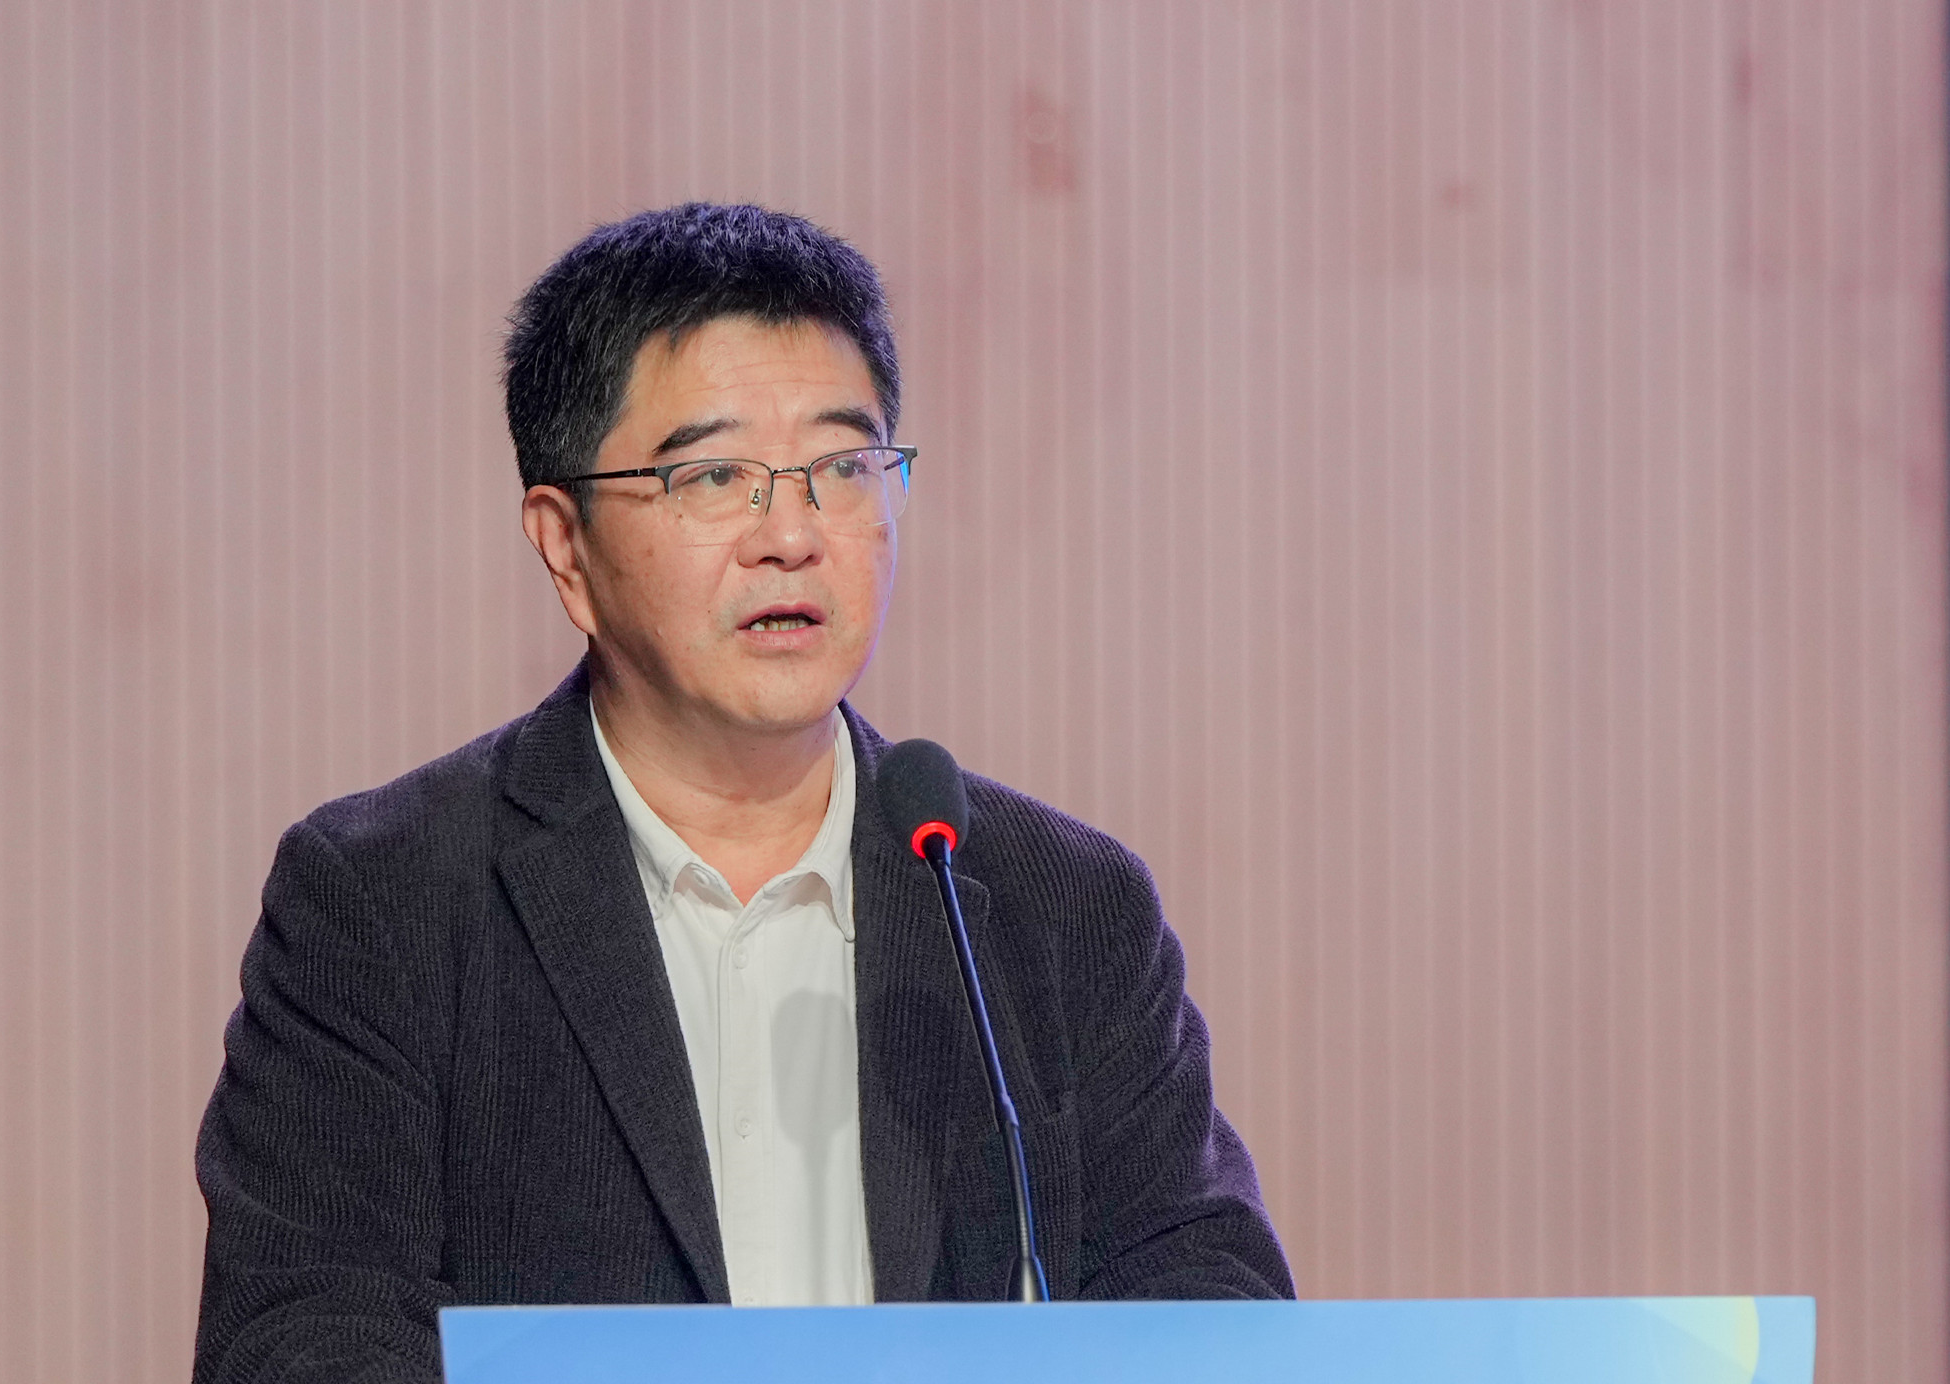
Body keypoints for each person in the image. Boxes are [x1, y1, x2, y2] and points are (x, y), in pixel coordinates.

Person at [192, 202, 1292, 1383]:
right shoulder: (386, 902)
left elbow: (1210, 1306)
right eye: (716, 475)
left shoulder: (1055, 906)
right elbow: (303, 1342)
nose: (792, 536)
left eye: (843, 467)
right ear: (565, 543)